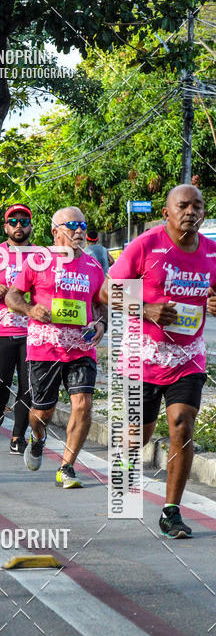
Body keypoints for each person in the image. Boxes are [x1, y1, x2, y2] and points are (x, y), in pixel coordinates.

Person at [101, 184, 216, 538]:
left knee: (182, 423)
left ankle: (171, 511)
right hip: (143, 353)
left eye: (197, 206)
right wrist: (145, 308)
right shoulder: (146, 245)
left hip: (188, 356)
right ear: (167, 212)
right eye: (183, 206)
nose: (191, 212)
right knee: (140, 434)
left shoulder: (212, 252)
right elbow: (106, 291)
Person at [5, 206, 106, 488]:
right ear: (55, 231)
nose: (79, 231)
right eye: (72, 225)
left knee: (83, 405)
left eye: (84, 225)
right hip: (44, 347)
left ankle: (67, 467)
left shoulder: (94, 266)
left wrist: (101, 323)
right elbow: (13, 295)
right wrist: (29, 309)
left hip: (81, 348)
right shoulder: (38, 260)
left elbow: (100, 304)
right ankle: (37, 438)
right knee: (42, 413)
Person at [0, 203, 36, 454]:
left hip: (32, 331)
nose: (18, 226)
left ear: (31, 227)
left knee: (28, 387)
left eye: (24, 221)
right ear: (5, 227)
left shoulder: (42, 256)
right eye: (13, 221)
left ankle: (18, 437)